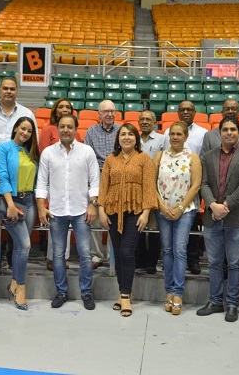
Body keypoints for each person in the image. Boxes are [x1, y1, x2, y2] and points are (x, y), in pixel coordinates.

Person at [196, 116, 239, 322]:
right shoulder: (209, 155)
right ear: (219, 133)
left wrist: (226, 205)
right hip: (212, 216)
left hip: (237, 218)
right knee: (214, 262)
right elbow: (203, 183)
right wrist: (213, 204)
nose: (229, 132)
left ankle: (232, 304)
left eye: (233, 129)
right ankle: (214, 301)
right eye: (225, 129)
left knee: (234, 263)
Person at [36, 114, 100, 310]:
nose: (65, 130)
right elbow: (41, 182)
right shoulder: (48, 153)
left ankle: (86, 293)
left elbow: (95, 180)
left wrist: (93, 204)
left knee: (85, 255)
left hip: (81, 210)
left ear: (75, 129)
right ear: (57, 128)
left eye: (69, 127)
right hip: (56, 211)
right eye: (62, 126)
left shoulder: (87, 151)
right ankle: (61, 292)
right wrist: (41, 207)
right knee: (57, 255)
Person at [98, 124, 158, 317]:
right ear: (118, 139)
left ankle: (125, 294)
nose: (126, 137)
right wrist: (101, 209)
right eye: (123, 134)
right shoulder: (110, 159)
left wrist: (146, 212)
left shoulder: (144, 159)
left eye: (130, 134)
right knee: (117, 252)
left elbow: (149, 187)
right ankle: (122, 293)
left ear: (136, 138)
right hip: (113, 211)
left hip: (135, 212)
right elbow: (103, 186)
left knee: (127, 252)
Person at [155, 121, 202, 315]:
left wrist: (181, 208)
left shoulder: (193, 157)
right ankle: (168, 290)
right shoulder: (159, 156)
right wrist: (162, 206)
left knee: (180, 250)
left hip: (185, 210)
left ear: (186, 137)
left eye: (179, 134)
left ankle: (178, 292)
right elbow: (151, 184)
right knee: (166, 250)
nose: (175, 137)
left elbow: (196, 185)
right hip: (163, 210)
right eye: (172, 134)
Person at [0, 117, 39, 310]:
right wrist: (10, 205)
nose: (25, 133)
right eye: (23, 129)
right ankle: (21, 288)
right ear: (15, 129)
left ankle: (13, 284)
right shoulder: (3, 148)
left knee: (21, 247)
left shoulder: (31, 153)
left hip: (28, 200)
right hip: (9, 200)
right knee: (26, 245)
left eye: (29, 131)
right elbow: (2, 177)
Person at [162, 101, 208, 275]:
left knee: (191, 230)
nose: (186, 112)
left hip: (191, 191)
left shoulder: (203, 133)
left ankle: (194, 260)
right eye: (182, 109)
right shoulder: (167, 132)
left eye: (189, 109)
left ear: (195, 112)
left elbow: (202, 160)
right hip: (169, 193)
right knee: (170, 246)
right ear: (178, 112)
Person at [39, 98, 81, 271]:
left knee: (69, 217)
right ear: (55, 111)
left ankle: (63, 257)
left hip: (71, 181)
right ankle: (52, 258)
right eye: (61, 107)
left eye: (68, 107)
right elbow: (43, 153)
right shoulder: (48, 130)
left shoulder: (75, 133)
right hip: (52, 180)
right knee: (55, 218)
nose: (64, 109)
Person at [84, 100, 120, 269]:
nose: (109, 114)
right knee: (96, 216)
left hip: (117, 175)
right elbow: (87, 157)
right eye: (105, 111)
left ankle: (115, 254)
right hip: (97, 174)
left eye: (112, 111)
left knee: (115, 216)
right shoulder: (91, 132)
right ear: (99, 114)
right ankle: (97, 255)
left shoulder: (121, 131)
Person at [137, 110, 165, 274]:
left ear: (155, 123)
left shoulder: (162, 139)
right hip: (136, 189)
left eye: (149, 119)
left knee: (154, 227)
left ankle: (151, 262)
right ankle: (139, 260)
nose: (145, 122)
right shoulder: (134, 139)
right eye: (142, 119)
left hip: (155, 188)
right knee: (137, 225)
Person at [0, 77, 37, 148]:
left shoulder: (27, 114)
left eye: (12, 89)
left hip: (18, 158)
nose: (9, 91)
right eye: (5, 88)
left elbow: (34, 142)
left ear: (17, 92)